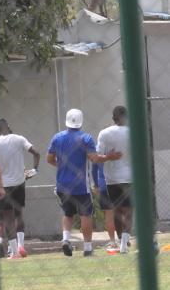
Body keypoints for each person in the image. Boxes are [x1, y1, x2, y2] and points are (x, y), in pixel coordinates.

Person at [47, 108, 120, 257]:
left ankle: (66, 239)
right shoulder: (86, 138)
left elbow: (49, 159)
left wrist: (61, 165)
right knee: (85, 215)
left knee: (67, 213)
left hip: (62, 184)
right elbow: (94, 158)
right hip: (81, 184)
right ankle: (87, 248)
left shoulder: (57, 138)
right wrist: (109, 157)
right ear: (81, 121)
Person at [0, 119, 41, 258]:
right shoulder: (19, 139)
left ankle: (14, 252)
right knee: (19, 214)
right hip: (19, 182)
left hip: (3, 185)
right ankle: (21, 245)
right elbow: (36, 153)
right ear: (8, 127)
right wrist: (34, 170)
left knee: (7, 217)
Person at [98, 105, 133, 254]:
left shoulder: (104, 134)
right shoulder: (134, 132)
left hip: (111, 178)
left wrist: (108, 157)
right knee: (129, 211)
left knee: (117, 211)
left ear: (113, 119)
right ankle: (124, 243)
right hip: (130, 177)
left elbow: (98, 156)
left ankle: (120, 241)